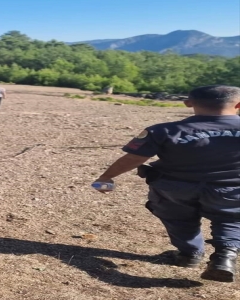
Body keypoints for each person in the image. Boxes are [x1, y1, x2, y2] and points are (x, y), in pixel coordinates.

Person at [93, 85, 240, 283]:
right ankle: (225, 257)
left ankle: (190, 254)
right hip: (232, 190)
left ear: (188, 103)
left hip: (174, 189)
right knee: (230, 220)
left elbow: (134, 158)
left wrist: (106, 177)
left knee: (179, 220)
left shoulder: (164, 130)